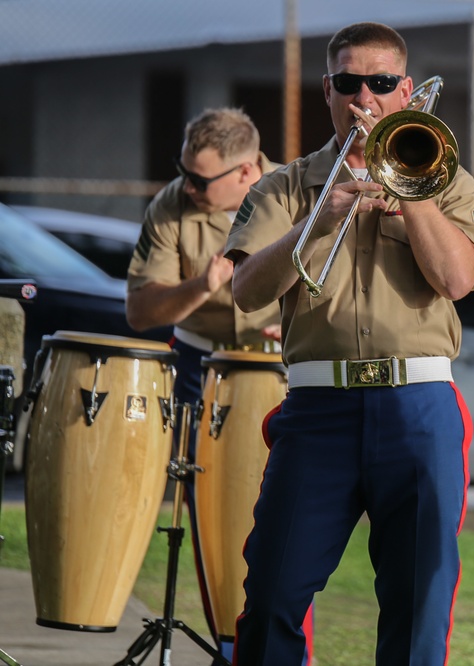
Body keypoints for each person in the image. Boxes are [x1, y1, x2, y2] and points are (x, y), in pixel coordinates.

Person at [223, 22, 474, 665]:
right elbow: (246, 290)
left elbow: (458, 278)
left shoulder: (449, 180)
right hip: (319, 410)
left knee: (419, 598)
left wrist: (413, 188)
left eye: (378, 82)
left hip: (419, 405)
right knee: (272, 591)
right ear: (327, 89)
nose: (362, 97)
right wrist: (325, 218)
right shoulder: (284, 187)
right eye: (348, 82)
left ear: (404, 90)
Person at [125, 107, 306, 663]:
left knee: (285, 517)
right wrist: (200, 287)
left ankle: (273, 644)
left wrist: (301, 321)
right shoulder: (172, 205)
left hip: (281, 374)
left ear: (248, 171)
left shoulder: (298, 193)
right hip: (197, 370)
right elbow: (140, 310)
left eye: (201, 179)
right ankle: (228, 643)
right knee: (204, 517)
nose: (188, 186)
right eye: (183, 171)